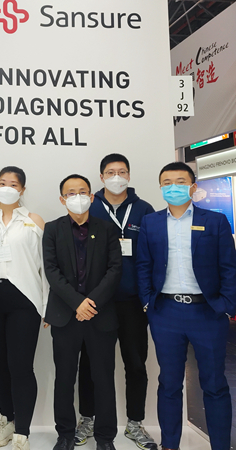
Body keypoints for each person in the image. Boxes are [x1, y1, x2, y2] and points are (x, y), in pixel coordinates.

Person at [137, 162, 236, 450]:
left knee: (214, 384)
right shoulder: (151, 222)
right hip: (166, 313)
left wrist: (227, 306)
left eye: (180, 181)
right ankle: (170, 445)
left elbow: (229, 267)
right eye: (167, 182)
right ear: (160, 187)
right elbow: (143, 265)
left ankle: (220, 445)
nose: (173, 187)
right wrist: (148, 302)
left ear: (193, 186)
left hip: (207, 312)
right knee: (169, 384)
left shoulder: (215, 221)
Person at [75, 154, 157, 450]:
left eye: (122, 172)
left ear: (129, 176)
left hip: (132, 302)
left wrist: (148, 297)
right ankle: (87, 419)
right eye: (110, 172)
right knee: (90, 365)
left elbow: (153, 255)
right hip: (96, 302)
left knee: (135, 364)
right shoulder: (90, 206)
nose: (116, 177)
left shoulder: (144, 209)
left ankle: (135, 423)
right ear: (101, 177)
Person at [43, 174, 122, 450]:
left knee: (104, 379)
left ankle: (105, 438)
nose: (77, 197)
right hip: (66, 316)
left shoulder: (107, 229)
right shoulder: (52, 229)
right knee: (64, 379)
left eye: (82, 192)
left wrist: (91, 303)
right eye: (71, 193)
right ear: (62, 199)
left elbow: (115, 270)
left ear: (91, 196)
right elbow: (51, 271)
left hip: (101, 316)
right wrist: (77, 303)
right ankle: (65, 434)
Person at [0, 167, 47, 450]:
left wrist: (46, 305)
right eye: (2, 182)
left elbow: (46, 266)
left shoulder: (34, 221)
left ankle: (23, 430)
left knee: (21, 365)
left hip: (25, 301)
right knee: (0, 362)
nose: (7, 187)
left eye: (14, 184)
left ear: (22, 190)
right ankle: (6, 418)